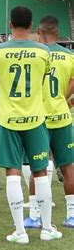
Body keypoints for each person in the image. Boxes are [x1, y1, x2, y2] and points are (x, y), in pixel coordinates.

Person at [0, 6, 62, 244]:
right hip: (36, 119)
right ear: (31, 26)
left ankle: (20, 232)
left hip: (8, 120)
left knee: (12, 174)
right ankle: (47, 228)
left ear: (10, 25)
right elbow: (41, 80)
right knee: (40, 172)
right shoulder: (43, 51)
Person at [23, 15, 74, 229]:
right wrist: (66, 99)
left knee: (38, 167)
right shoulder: (69, 56)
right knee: (69, 166)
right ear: (57, 32)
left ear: (40, 33)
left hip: (39, 119)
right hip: (62, 117)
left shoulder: (35, 55)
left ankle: (35, 216)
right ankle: (71, 215)